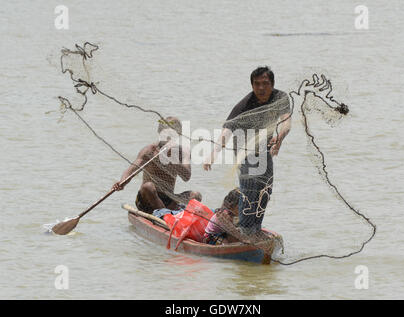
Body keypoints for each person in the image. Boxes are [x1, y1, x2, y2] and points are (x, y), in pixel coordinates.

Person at [203, 66, 291, 236]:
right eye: (257, 84)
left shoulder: (280, 98)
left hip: (264, 149)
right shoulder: (244, 105)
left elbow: (287, 122)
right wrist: (213, 154)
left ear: (272, 84)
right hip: (243, 149)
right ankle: (244, 230)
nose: (261, 88)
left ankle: (254, 229)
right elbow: (227, 130)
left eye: (265, 83)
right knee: (249, 191)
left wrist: (280, 136)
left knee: (265, 190)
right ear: (252, 86)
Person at [113, 116, 201, 213]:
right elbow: (131, 170)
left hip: (169, 198)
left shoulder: (183, 152)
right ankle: (166, 215)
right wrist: (122, 183)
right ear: (160, 132)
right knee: (148, 186)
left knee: (195, 196)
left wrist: (172, 157)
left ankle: (168, 212)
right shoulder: (149, 151)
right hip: (147, 198)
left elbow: (186, 176)